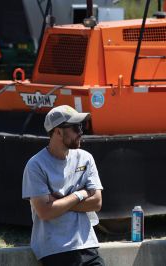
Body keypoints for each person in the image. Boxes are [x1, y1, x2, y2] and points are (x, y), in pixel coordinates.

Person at [22, 105, 104, 266]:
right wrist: (79, 194)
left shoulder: (86, 158)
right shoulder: (35, 165)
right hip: (55, 249)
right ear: (58, 132)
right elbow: (45, 212)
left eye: (82, 126)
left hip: (88, 245)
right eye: (75, 127)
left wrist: (60, 202)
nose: (81, 132)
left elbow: (97, 202)